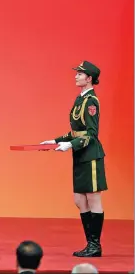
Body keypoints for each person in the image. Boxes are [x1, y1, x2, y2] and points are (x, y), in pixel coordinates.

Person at [41, 61, 107, 257]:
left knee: (93, 198)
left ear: (89, 78)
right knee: (80, 199)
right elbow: (76, 131)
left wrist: (71, 145)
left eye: (80, 74)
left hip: (91, 155)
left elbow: (91, 134)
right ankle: (90, 244)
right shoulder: (80, 99)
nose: (76, 76)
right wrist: (55, 140)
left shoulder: (91, 101)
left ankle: (95, 245)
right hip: (80, 154)